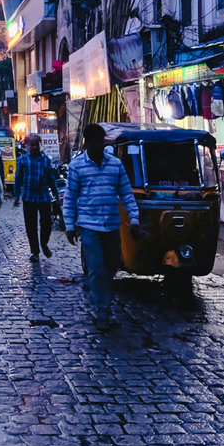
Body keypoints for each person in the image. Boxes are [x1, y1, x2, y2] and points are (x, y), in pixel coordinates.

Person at [62, 123, 143, 330]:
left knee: (110, 267)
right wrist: (69, 225)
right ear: (86, 143)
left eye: (100, 142)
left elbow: (126, 193)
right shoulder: (77, 166)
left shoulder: (115, 165)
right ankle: (102, 311)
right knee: (96, 268)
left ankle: (102, 299)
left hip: (112, 225)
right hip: (88, 225)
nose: (98, 145)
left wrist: (134, 218)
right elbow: (70, 197)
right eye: (94, 142)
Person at [13, 133, 61, 262]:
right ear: (28, 146)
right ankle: (35, 251)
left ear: (40, 145)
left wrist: (56, 195)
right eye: (32, 145)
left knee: (47, 222)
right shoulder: (23, 160)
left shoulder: (45, 160)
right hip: (28, 196)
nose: (34, 147)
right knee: (31, 225)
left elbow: (51, 179)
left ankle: (44, 243)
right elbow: (18, 178)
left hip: (43, 196)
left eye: (36, 145)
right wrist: (16, 195)